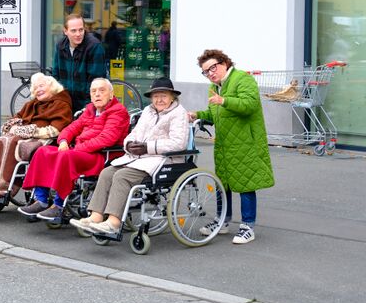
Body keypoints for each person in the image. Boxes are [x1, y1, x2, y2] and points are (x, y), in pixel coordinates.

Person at [70, 77, 188, 235]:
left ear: (172, 97)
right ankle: (96, 216)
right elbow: (134, 133)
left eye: (164, 95)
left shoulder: (178, 113)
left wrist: (148, 147)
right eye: (155, 96)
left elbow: (178, 143)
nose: (159, 99)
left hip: (163, 160)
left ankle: (113, 222)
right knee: (107, 173)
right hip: (139, 158)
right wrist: (129, 144)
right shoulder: (148, 111)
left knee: (122, 176)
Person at [188, 49, 274, 245]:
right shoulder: (215, 86)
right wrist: (198, 114)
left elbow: (249, 104)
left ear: (224, 63)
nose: (210, 73)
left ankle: (248, 227)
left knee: (246, 184)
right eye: (206, 71)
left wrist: (224, 101)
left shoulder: (243, 79)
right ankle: (222, 221)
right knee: (223, 183)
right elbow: (214, 114)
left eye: (213, 67)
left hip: (245, 142)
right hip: (225, 144)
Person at [19, 78, 128, 221]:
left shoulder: (118, 112)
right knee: (42, 151)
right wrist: (63, 141)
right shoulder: (90, 110)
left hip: (101, 155)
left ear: (111, 94)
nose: (97, 94)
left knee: (66, 156)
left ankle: (58, 205)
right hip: (80, 151)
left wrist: (77, 148)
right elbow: (71, 128)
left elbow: (106, 139)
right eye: (94, 91)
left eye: (102, 90)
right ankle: (41, 200)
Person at [0, 73, 73, 205]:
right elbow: (14, 119)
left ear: (52, 86)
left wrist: (27, 131)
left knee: (12, 144)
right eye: (35, 88)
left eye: (41, 86)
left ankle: (0, 187)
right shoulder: (32, 104)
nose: (38, 90)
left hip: (43, 140)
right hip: (23, 137)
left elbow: (55, 130)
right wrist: (13, 127)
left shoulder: (61, 104)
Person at [52, 14, 106, 109]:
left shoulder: (94, 46)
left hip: (88, 103)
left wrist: (88, 106)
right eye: (73, 30)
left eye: (81, 30)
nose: (78, 34)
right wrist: (59, 99)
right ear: (65, 31)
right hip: (66, 101)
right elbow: (56, 74)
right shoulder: (60, 46)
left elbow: (96, 81)